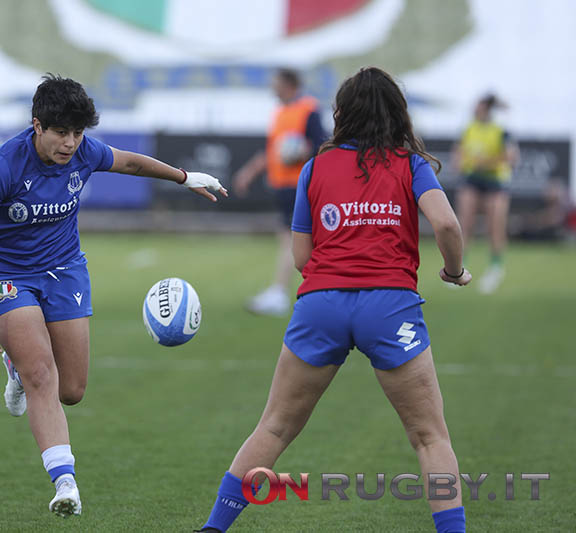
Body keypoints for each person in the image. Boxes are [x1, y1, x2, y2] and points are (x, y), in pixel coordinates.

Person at [196, 67, 471, 533]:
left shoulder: (315, 166)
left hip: (321, 303)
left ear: (341, 114)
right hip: (390, 306)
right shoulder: (410, 163)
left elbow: (301, 255)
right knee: (429, 436)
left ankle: (214, 527)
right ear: (396, 114)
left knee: (275, 427)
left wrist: (335, 277)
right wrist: (453, 270)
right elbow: (446, 225)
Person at [0, 74, 226, 519]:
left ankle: (15, 368)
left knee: (73, 389)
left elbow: (132, 164)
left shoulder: (84, 153)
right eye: (61, 132)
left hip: (64, 272)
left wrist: (183, 176)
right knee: (42, 373)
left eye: (78, 133)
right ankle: (65, 483)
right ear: (37, 125)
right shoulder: (0, 168)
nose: (70, 143)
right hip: (9, 277)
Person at [233, 68, 326, 315]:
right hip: (283, 187)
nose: (272, 87)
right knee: (293, 239)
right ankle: (294, 291)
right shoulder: (279, 113)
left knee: (293, 239)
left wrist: (299, 152)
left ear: (289, 84)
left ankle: (281, 292)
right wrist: (249, 173)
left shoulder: (308, 109)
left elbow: (321, 146)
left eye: (276, 82)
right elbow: (272, 150)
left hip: (300, 185)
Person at [453, 94, 519, 294]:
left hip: (494, 182)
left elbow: (511, 157)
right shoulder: (469, 128)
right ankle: (458, 267)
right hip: (472, 180)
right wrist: (466, 163)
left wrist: (486, 162)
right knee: (465, 223)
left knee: (495, 225)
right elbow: (459, 155)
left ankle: (495, 267)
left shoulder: (500, 130)